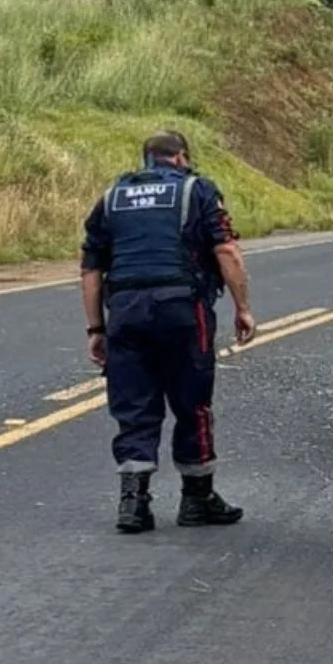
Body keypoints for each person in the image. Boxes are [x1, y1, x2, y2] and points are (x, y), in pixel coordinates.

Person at [79, 130, 257, 533]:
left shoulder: (111, 198)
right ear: (180, 158)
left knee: (134, 405)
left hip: (125, 310)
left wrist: (96, 328)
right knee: (192, 401)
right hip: (182, 308)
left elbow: (90, 270)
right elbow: (226, 251)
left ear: (147, 160)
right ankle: (197, 500)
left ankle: (133, 504)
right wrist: (243, 308)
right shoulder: (198, 190)